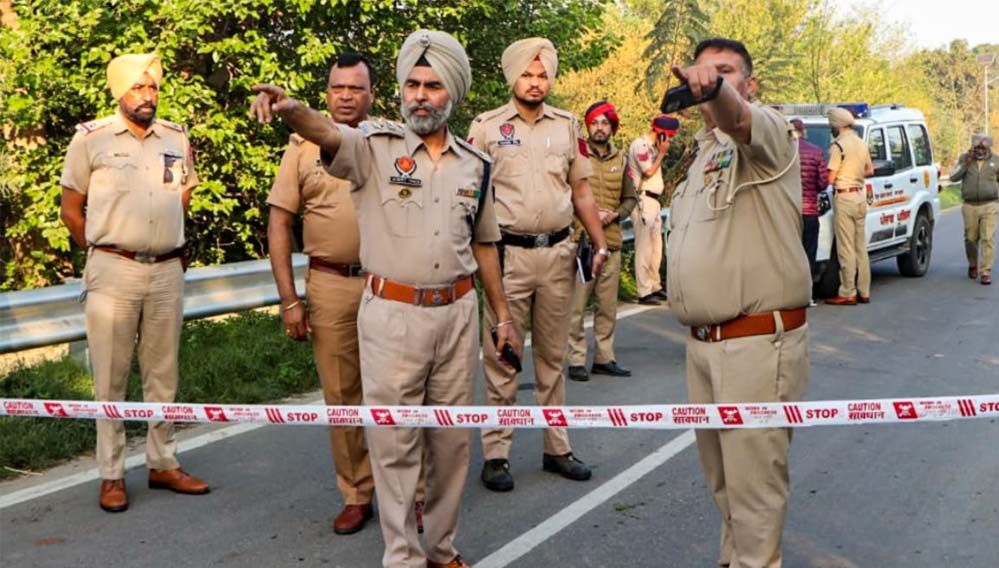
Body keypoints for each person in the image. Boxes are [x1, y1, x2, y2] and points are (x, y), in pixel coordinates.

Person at [251, 29, 519, 568]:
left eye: (433, 86)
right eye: (412, 84)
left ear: (453, 93)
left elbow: (485, 243)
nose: (420, 95)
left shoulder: (475, 163)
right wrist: (291, 109)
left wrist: (503, 316)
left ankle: (440, 548)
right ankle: (403, 556)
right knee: (394, 443)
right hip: (392, 316)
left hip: (458, 315)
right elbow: (326, 132)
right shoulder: (372, 148)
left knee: (451, 445)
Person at [666, 38, 811, 568]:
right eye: (702, 72)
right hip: (705, 345)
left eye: (724, 72)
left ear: (749, 84)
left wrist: (717, 91)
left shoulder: (768, 133)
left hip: (754, 343)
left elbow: (740, 119)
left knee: (754, 494)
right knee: (725, 486)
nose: (709, 79)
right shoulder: (704, 151)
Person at [59, 53, 210, 513]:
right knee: (111, 376)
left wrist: (165, 239)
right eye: (137, 88)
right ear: (118, 92)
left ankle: (163, 462)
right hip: (113, 268)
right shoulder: (91, 139)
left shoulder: (175, 137)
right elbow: (71, 210)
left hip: (166, 268)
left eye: (152, 87)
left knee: (164, 372)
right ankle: (111, 474)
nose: (147, 95)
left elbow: (183, 194)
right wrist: (105, 251)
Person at [467, 37, 608, 492]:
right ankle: (496, 454)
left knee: (553, 356)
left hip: (557, 255)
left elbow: (581, 192)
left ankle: (557, 448)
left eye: (542, 75)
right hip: (506, 257)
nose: (534, 82)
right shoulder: (486, 128)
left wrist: (599, 243)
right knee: (502, 356)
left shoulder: (567, 127)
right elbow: (470, 197)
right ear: (513, 77)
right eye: (527, 75)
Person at [266, 53, 385, 535]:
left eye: (356, 88)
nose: (347, 96)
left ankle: (413, 492)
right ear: (327, 92)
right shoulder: (300, 148)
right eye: (338, 88)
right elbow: (279, 222)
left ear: (372, 94)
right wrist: (289, 300)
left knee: (398, 390)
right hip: (330, 284)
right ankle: (357, 493)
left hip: (387, 284)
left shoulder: (389, 141)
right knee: (342, 393)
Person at [567, 100, 636, 382]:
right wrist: (590, 215)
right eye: (594, 122)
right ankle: (576, 359)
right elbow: (565, 194)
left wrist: (615, 215)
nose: (599, 128)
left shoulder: (622, 159)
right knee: (576, 306)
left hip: (612, 243)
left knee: (607, 307)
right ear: (588, 126)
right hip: (582, 244)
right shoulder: (577, 156)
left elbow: (630, 198)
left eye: (605, 123)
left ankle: (604, 358)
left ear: (612, 127)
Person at [626, 114, 678, 305]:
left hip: (655, 201)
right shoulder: (641, 145)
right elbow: (648, 171)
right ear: (661, 134)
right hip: (643, 199)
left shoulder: (654, 148)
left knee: (656, 248)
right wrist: (662, 154)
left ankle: (655, 286)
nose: (669, 142)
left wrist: (660, 151)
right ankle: (644, 291)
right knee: (644, 248)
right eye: (669, 137)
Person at [825, 107, 874, 305]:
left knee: (845, 247)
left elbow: (831, 177)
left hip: (844, 197)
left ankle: (847, 291)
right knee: (860, 246)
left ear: (837, 125)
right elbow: (869, 170)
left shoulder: (838, 146)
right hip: (860, 196)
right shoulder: (861, 143)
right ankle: (864, 290)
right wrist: (856, 175)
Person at [950, 134, 999, 285]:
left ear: (988, 148)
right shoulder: (965, 158)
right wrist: (966, 163)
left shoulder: (995, 160)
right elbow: (953, 177)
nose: (980, 150)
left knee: (988, 238)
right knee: (970, 238)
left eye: (983, 148)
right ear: (973, 147)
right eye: (977, 147)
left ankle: (985, 272)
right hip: (970, 205)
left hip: (990, 204)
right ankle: (972, 264)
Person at [790, 118, 828, 291]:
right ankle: (807, 291)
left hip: (788, 211)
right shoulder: (815, 151)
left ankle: (789, 291)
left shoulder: (783, 152)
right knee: (809, 251)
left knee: (789, 252)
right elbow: (823, 183)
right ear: (803, 131)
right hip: (809, 209)